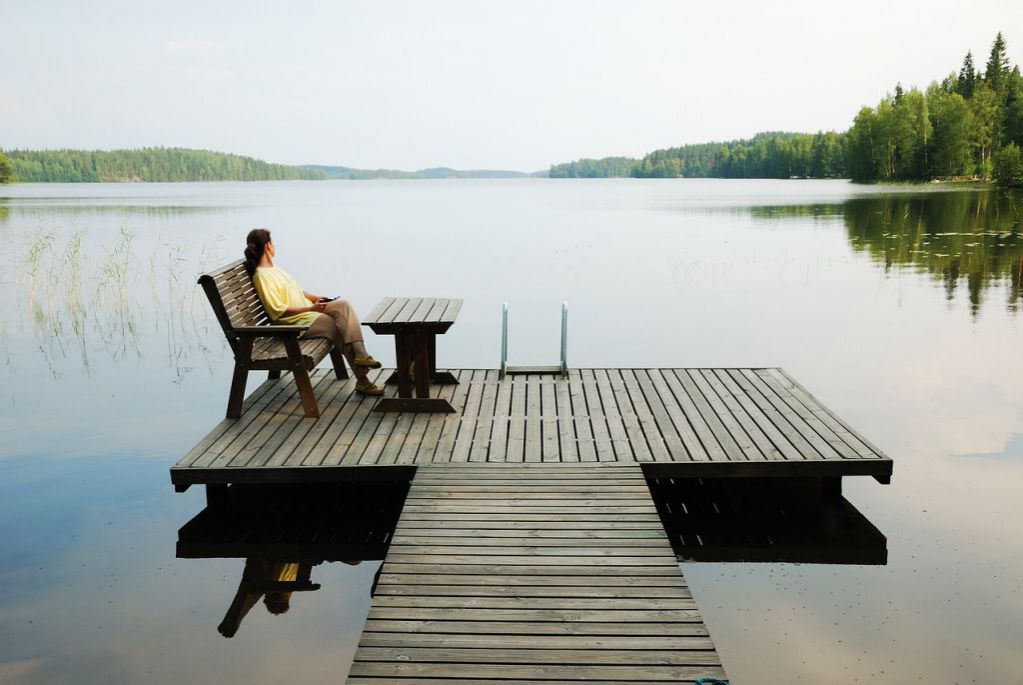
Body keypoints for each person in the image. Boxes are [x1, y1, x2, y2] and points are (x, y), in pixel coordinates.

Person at [244, 228, 384, 396]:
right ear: (267, 246)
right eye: (273, 242)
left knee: (344, 305)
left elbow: (295, 290)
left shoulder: (275, 269)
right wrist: (310, 308)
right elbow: (278, 311)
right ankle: (363, 381)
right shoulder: (262, 276)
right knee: (338, 327)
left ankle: (362, 354)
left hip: (309, 312)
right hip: (296, 322)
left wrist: (314, 298)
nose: (275, 245)